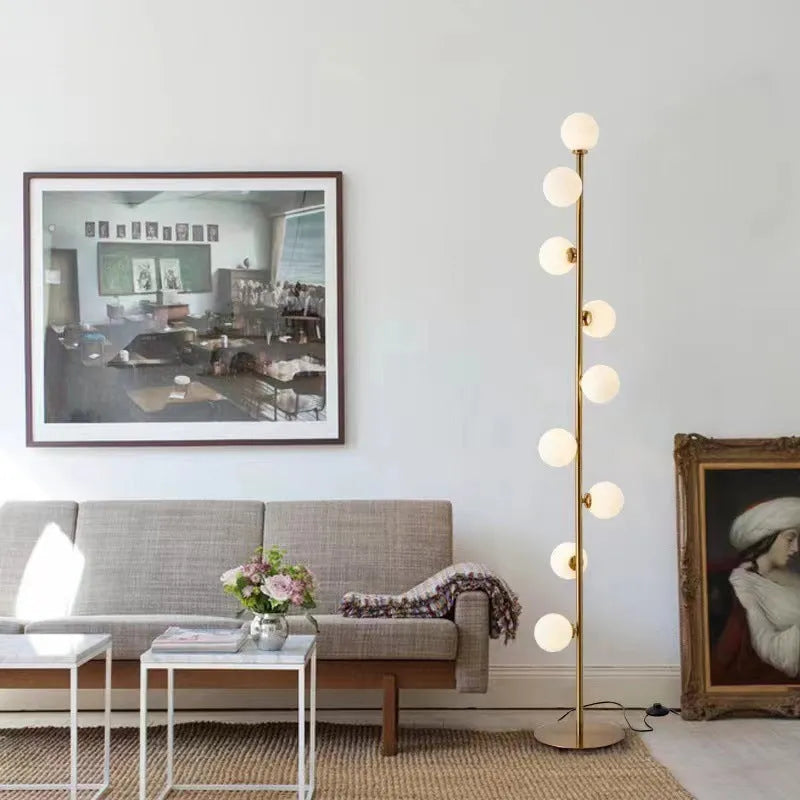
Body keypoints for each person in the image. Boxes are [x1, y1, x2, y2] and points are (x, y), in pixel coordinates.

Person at [712, 497, 800, 682]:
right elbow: (772, 651)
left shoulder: (794, 577)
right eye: (790, 538)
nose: (796, 548)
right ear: (766, 539)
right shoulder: (744, 584)